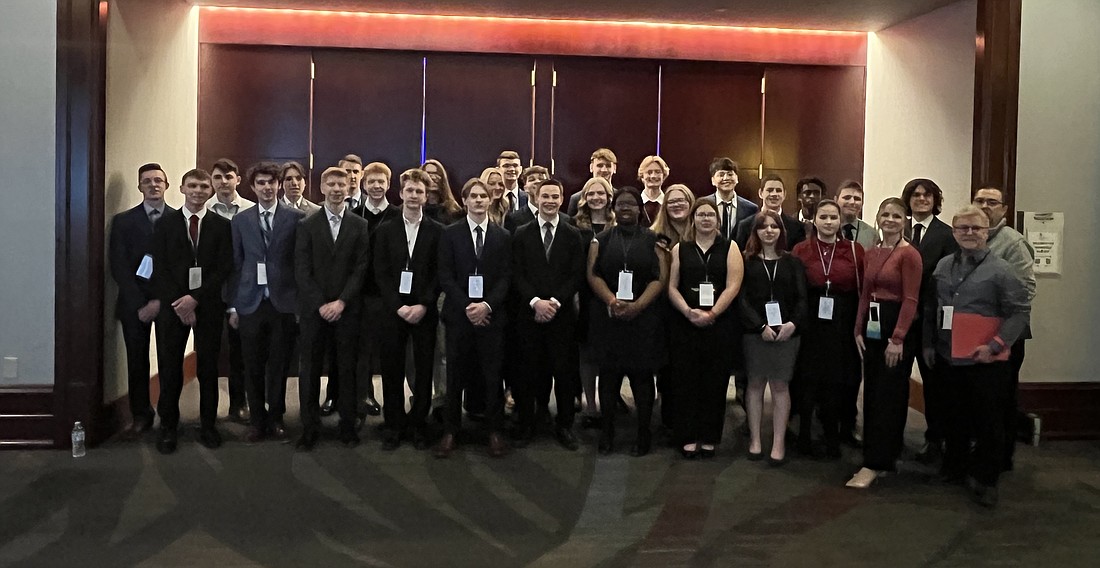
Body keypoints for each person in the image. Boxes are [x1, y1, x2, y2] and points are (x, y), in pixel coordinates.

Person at [923, 205, 1029, 507]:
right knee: (953, 416)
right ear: (954, 232)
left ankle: (986, 479)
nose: (969, 233)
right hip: (948, 356)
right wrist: (929, 345)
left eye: (976, 228)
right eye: (962, 228)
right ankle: (954, 468)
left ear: (987, 232)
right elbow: (932, 309)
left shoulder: (1002, 270)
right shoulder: (943, 266)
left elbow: (1019, 314)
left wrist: (994, 345)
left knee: (988, 421)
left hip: (985, 359)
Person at [151, 168, 233, 454]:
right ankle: (168, 427)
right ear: (182, 189)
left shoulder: (222, 226)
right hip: (173, 307)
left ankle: (208, 425)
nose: (198, 191)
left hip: (208, 306)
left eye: (203, 186)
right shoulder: (164, 224)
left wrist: (195, 299)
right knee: (170, 367)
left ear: (210, 191)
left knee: (208, 368)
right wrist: (181, 301)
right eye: (192, 186)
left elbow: (223, 268)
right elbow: (159, 268)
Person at [587, 188, 669, 457]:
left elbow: (660, 278)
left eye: (631, 204)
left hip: (643, 321)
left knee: (642, 380)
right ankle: (607, 434)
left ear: (639, 209)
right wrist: (612, 301)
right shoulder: (601, 239)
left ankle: (643, 434)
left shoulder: (654, 240)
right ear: (613, 208)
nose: (625, 208)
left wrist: (638, 306)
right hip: (609, 319)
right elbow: (593, 275)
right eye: (620, 204)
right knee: (608, 381)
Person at [847, 197, 922, 488]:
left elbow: (911, 299)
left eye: (897, 216)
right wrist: (857, 330)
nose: (890, 220)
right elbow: (865, 293)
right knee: (873, 393)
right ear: (877, 217)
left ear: (905, 221)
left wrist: (898, 338)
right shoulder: (873, 252)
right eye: (885, 214)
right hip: (872, 326)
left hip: (895, 328)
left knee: (889, 395)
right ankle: (879, 456)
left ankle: (878, 461)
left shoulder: (910, 255)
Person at [227, 162, 305, 443]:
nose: (267, 188)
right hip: (250, 302)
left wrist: (298, 305)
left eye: (272, 182)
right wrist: (233, 305)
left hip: (283, 303)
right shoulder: (241, 220)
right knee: (252, 365)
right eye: (261, 183)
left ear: (279, 185)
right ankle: (257, 421)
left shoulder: (296, 218)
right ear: (253, 187)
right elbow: (236, 265)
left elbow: (299, 264)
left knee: (280, 365)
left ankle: (277, 418)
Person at [435, 178, 513, 458]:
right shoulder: (450, 233)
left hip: (491, 318)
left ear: (489, 200)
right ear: (465, 201)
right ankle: (450, 431)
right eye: (473, 196)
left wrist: (487, 306)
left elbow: (506, 277)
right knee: (455, 376)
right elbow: (445, 274)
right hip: (459, 316)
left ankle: (494, 431)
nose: (479, 200)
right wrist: (468, 305)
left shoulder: (502, 236)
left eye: (483, 196)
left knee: (493, 377)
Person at [294, 167, 371, 451]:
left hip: (347, 309)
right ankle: (309, 427)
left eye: (343, 184)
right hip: (315, 311)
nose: (338, 188)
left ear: (350, 188)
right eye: (332, 184)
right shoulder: (306, 224)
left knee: (347, 369)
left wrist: (341, 302)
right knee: (310, 370)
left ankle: (348, 425)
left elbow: (361, 268)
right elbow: (301, 269)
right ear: (322, 188)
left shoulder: (359, 225)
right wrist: (321, 304)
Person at [510, 180, 586, 450]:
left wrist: (553, 302)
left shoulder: (572, 234)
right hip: (529, 315)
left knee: (564, 373)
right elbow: (516, 272)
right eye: (545, 196)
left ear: (562, 198)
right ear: (536, 197)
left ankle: (564, 425)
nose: (550, 201)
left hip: (561, 316)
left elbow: (576, 274)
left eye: (555, 196)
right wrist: (535, 302)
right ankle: (528, 423)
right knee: (528, 371)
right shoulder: (520, 232)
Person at [667, 200, 744, 458]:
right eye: (701, 214)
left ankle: (710, 437)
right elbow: (671, 286)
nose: (706, 219)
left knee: (715, 382)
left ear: (718, 220)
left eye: (711, 214)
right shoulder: (680, 248)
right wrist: (688, 312)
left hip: (719, 325)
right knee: (685, 382)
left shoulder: (730, 247)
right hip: (685, 324)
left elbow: (733, 286)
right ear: (693, 219)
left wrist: (712, 313)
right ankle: (687, 436)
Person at [373, 168, 443, 451]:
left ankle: (418, 423)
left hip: (424, 311)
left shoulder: (438, 231)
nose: (414, 196)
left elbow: (440, 272)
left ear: (426, 197)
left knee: (424, 369)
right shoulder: (385, 229)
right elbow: (380, 272)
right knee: (391, 368)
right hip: (393, 311)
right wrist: (399, 307)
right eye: (410, 191)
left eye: (419, 192)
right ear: (401, 194)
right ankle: (393, 424)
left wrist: (423, 304)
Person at [790, 199, 864, 459]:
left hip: (841, 321)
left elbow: (863, 289)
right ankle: (805, 436)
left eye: (834, 217)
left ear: (840, 220)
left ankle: (832, 437)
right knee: (807, 379)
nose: (829, 222)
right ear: (814, 221)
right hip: (810, 318)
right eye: (824, 217)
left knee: (835, 380)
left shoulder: (855, 250)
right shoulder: (800, 249)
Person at [109, 163, 174, 436]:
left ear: (167, 185)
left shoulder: (178, 219)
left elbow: (180, 266)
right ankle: (141, 414)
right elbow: (118, 266)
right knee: (137, 362)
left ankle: (170, 415)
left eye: (158, 180)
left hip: (169, 303)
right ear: (139, 187)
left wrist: (159, 301)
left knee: (169, 361)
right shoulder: (123, 221)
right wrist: (141, 303)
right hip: (133, 305)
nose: (153, 185)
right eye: (147, 181)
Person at [974, 185, 1036, 472]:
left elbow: (1025, 291)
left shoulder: (1013, 243)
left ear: (1004, 209)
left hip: (1006, 335)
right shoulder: (971, 238)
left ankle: (1000, 461)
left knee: (1001, 400)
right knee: (981, 400)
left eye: (991, 202)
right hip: (973, 332)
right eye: (979, 200)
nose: (985, 205)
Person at [738, 210, 807, 465]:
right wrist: (759, 326)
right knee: (755, 384)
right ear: (755, 232)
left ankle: (778, 443)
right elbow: (741, 299)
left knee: (780, 386)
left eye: (774, 227)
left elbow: (802, 299)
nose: (769, 231)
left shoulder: (792, 262)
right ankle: (755, 440)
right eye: (763, 227)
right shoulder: (746, 261)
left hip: (786, 334)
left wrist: (792, 324)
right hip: (755, 334)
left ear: (781, 231)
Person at [900, 178, 958, 465]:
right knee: (897, 382)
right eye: (916, 195)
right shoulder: (899, 229)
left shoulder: (947, 234)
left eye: (927, 195)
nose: (921, 199)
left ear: (936, 200)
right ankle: (891, 437)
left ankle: (935, 440)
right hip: (900, 318)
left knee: (935, 385)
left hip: (930, 320)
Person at [340, 161, 396, 418]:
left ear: (388, 184)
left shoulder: (398, 214)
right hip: (358, 294)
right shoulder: (354, 216)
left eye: (380, 181)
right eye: (371, 181)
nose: (376, 186)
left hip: (389, 295)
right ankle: (363, 398)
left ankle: (393, 408)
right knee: (360, 351)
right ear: (363, 184)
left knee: (387, 351)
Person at [207, 158, 253, 422]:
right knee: (211, 351)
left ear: (238, 179)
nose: (223, 182)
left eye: (228, 176)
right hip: (211, 292)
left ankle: (239, 403)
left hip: (243, 290)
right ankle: (208, 410)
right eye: (218, 177)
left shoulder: (250, 209)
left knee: (240, 352)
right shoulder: (203, 209)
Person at [573, 177, 616, 428]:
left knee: (610, 352)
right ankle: (590, 404)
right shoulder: (575, 225)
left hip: (613, 295)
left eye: (601, 193)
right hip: (585, 298)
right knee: (586, 353)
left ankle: (610, 399)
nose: (597, 197)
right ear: (585, 197)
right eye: (592, 193)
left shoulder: (618, 223)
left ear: (609, 196)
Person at [734, 174, 806, 250]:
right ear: (760, 193)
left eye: (778, 190)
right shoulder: (745, 225)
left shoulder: (797, 227)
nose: (774, 194)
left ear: (784, 194)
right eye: (770, 190)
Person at [699, 157, 758, 241]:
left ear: (737, 179)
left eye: (730, 174)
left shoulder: (751, 209)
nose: (726, 178)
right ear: (713, 180)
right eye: (721, 175)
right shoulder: (703, 205)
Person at [504, 165, 556, 232]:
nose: (537, 181)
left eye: (541, 179)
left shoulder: (564, 219)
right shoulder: (513, 219)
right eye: (532, 179)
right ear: (525, 188)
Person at [567, 147, 618, 215]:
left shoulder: (619, 197)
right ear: (591, 167)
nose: (604, 170)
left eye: (608, 166)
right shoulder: (576, 198)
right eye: (599, 165)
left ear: (614, 168)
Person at [421, 159, 463, 225]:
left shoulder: (454, 210)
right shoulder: (415, 208)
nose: (433, 178)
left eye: (436, 174)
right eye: (428, 173)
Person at [837, 180, 876, 250]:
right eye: (847, 198)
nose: (852, 202)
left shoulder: (872, 234)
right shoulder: (825, 228)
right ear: (835, 200)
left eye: (857, 199)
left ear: (862, 203)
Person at [638, 155, 669, 227]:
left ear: (664, 176)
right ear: (642, 177)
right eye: (649, 172)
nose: (653, 176)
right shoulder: (635, 203)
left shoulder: (668, 202)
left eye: (657, 172)